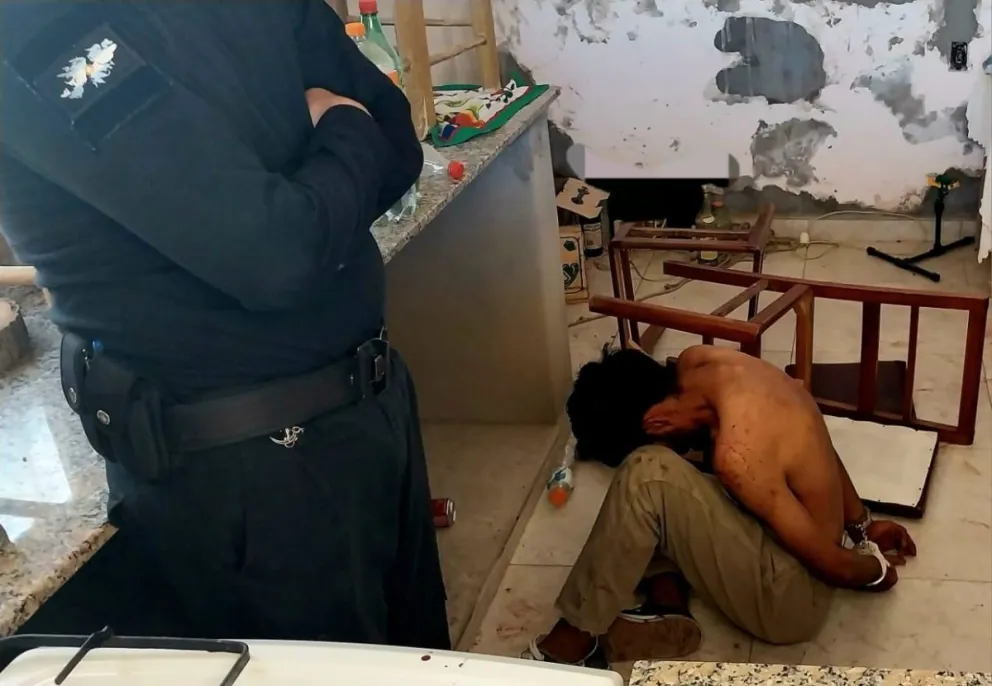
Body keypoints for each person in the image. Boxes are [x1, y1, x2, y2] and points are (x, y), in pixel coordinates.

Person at [0, 0, 449, 648]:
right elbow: (276, 256)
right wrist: (342, 126)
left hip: (373, 413)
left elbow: (398, 145)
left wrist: (312, 189)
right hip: (244, 474)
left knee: (425, 661)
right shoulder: (36, 26)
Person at [528, 345, 917, 665]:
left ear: (656, 422)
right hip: (787, 539)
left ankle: (570, 645)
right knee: (672, 477)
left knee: (646, 474)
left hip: (792, 599)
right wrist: (862, 524)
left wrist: (875, 569)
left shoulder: (737, 457)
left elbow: (834, 565)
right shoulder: (704, 363)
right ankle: (667, 602)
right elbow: (813, 438)